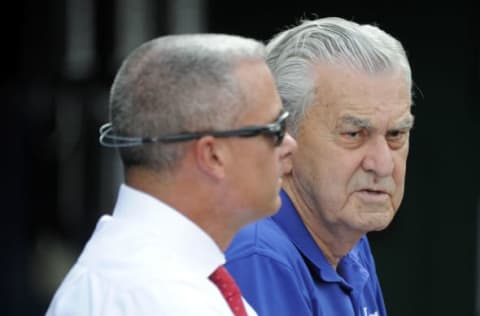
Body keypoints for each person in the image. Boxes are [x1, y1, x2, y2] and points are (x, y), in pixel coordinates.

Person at [46, 33, 297, 316]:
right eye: (274, 129)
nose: (290, 145)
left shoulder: (160, 277)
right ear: (213, 156)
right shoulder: (159, 296)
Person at [225, 17, 415, 316]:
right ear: (282, 139)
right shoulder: (258, 255)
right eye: (353, 135)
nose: (382, 164)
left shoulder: (347, 238)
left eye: (396, 135)